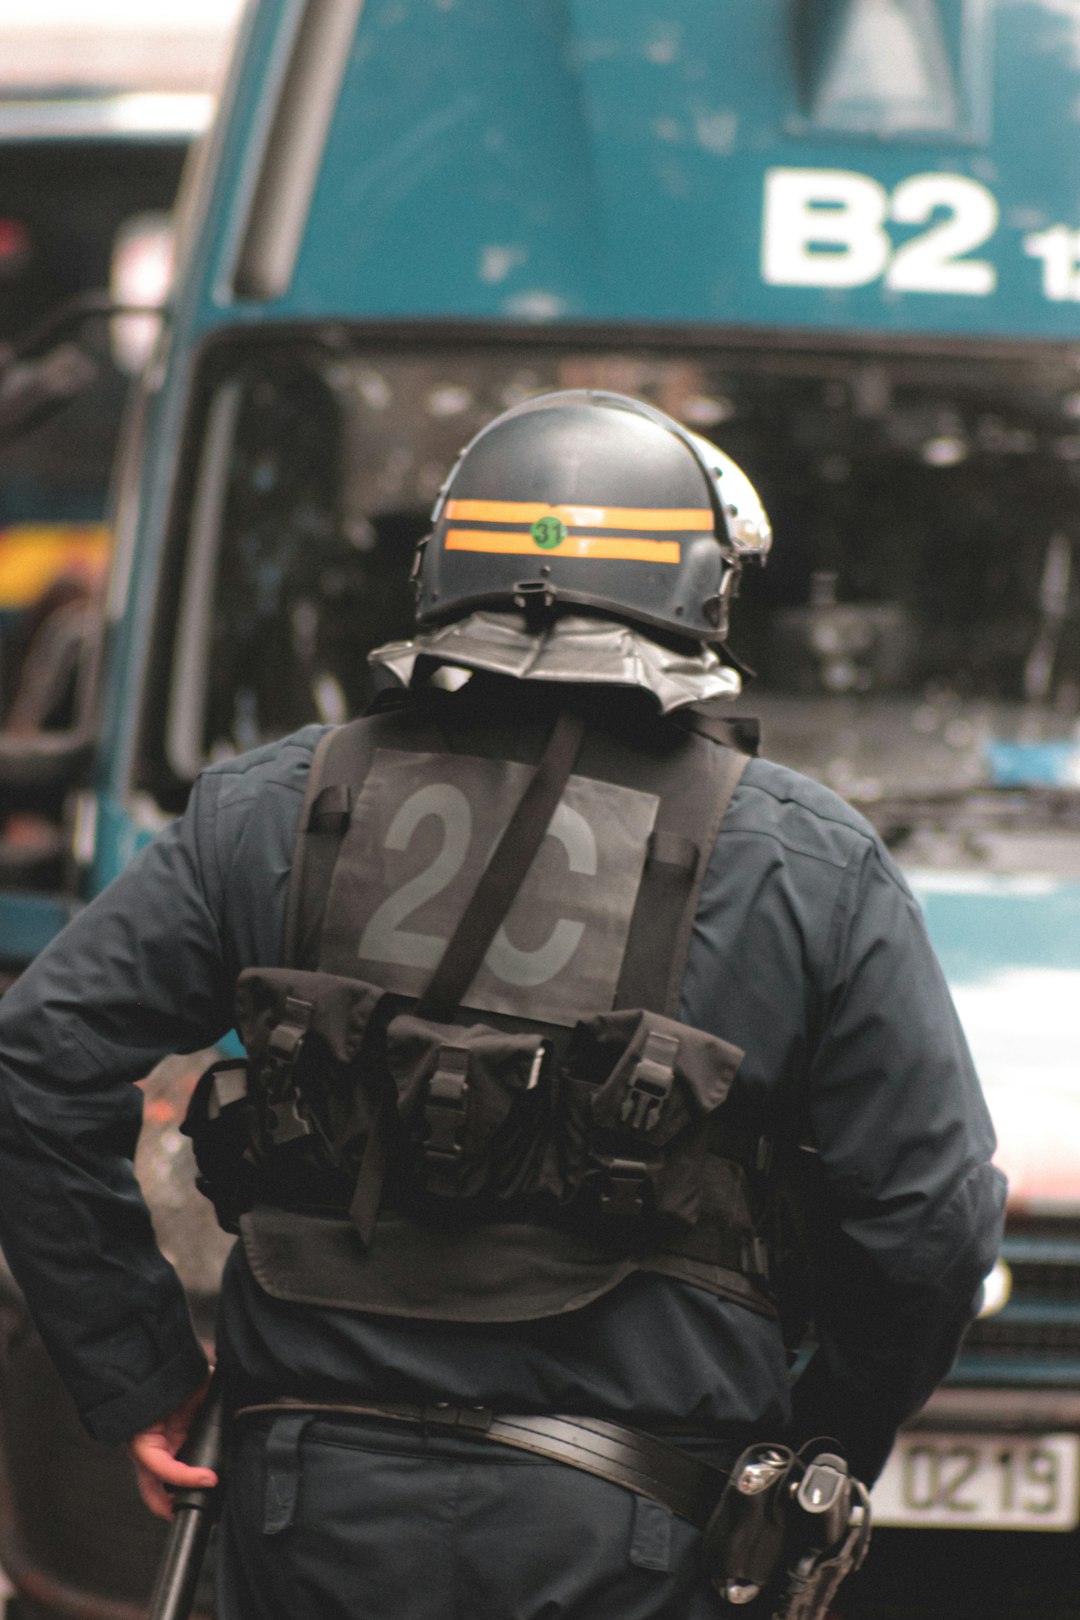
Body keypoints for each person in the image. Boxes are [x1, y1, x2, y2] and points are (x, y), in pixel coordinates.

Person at [0, 390, 1005, 1618]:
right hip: (638, 1526)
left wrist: (135, 1366)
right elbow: (932, 1219)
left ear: (440, 572)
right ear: (699, 592)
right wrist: (828, 1443)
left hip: (301, 1506)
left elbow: (38, 1063)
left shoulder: (264, 809)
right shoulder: (801, 857)